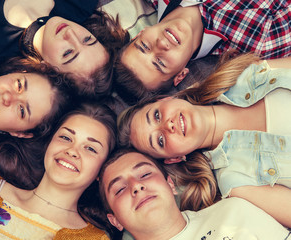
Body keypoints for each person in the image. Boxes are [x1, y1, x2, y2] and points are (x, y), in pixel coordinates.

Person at [117, 52, 291, 228]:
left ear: (166, 99)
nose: (167, 126)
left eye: (156, 115)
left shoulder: (241, 73)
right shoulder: (237, 183)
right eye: (160, 141)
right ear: (175, 158)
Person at [0, 102, 120, 240]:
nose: (72, 151)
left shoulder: (94, 239)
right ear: (49, 143)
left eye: (90, 148)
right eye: (66, 137)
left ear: (102, 170)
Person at [113, 0, 291, 104]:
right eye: (160, 63)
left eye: (144, 46)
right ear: (181, 75)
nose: (161, 45)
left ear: (141, 33)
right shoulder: (258, 41)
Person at [99, 149, 291, 240]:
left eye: (145, 174)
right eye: (120, 189)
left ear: (170, 185)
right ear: (115, 221)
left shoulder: (234, 210)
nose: (136, 186)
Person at [0, 0, 129, 97]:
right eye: (87, 39)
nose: (71, 34)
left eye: (68, 53)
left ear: (47, 69)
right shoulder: (79, 3)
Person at [0, 48, 72, 187]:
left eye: (22, 110)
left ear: (21, 133)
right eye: (19, 85)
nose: (8, 97)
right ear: (16, 72)